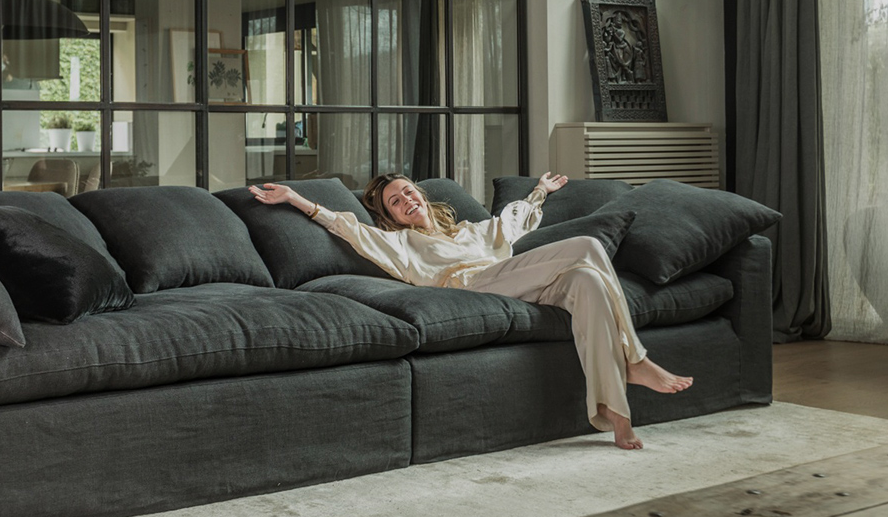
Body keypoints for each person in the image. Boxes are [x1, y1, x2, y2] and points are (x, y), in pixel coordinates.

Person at [248, 173, 693, 450]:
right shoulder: (400, 243)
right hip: (471, 286)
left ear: (421, 194)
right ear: (392, 217)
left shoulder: (472, 231)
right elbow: (347, 228)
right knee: (589, 247)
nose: (406, 200)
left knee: (588, 281)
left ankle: (613, 413)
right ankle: (635, 357)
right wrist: (296, 199)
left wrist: (541, 189)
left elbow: (515, 219)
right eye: (396, 202)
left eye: (408, 192)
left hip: (513, 279)